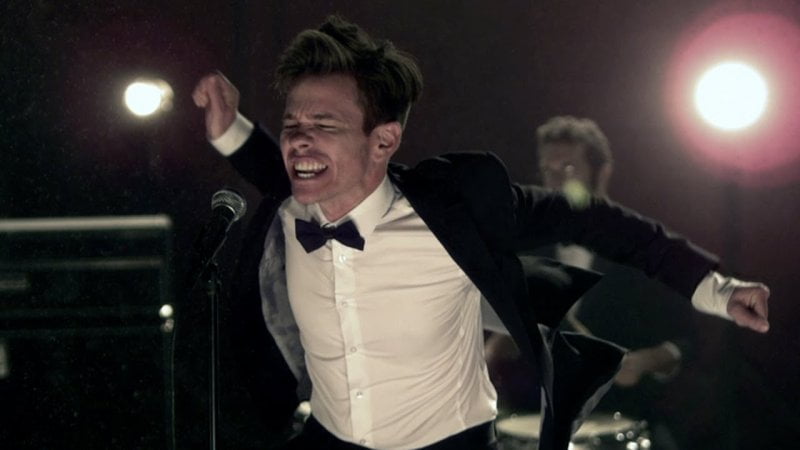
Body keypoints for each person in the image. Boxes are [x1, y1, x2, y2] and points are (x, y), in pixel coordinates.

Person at [191, 16, 770, 450]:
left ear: (384, 140)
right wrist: (229, 128)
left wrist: (715, 288)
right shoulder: (292, 204)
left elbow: (591, 218)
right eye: (292, 123)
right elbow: (276, 166)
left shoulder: (452, 213)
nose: (299, 139)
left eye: (324, 124)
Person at [485, 116, 701, 449]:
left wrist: (645, 361)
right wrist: (493, 349)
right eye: (548, 170)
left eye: (569, 169)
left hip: (627, 417)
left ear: (602, 173)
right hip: (540, 420)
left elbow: (685, 339)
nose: (556, 181)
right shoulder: (527, 249)